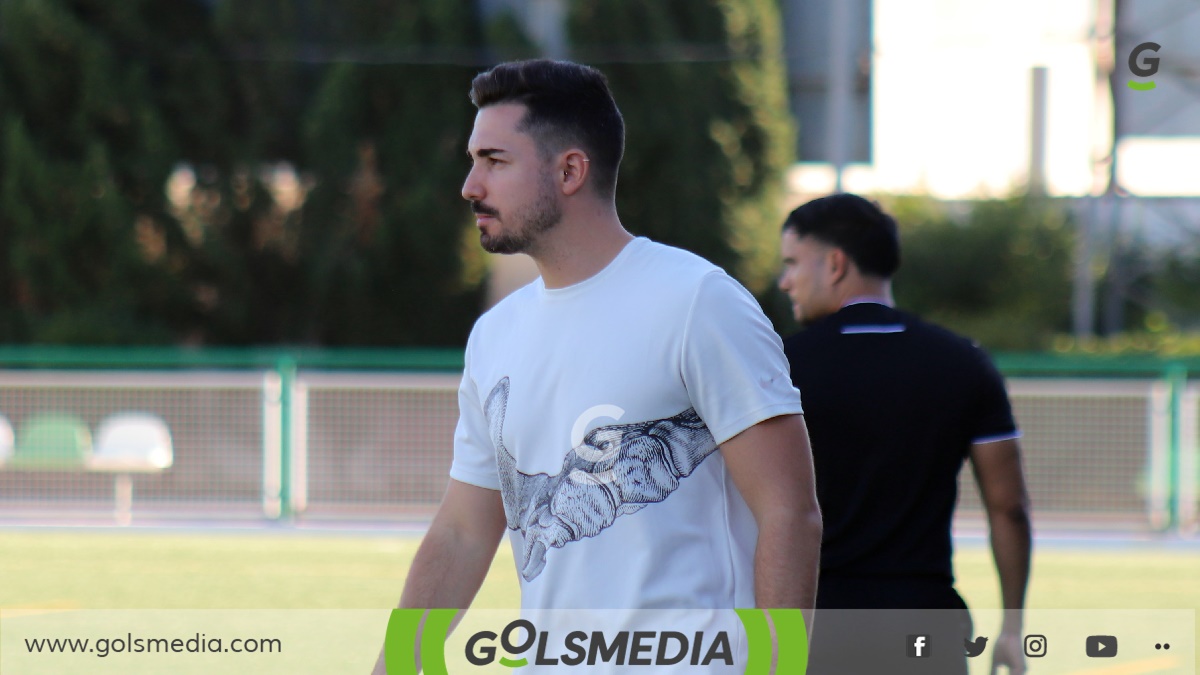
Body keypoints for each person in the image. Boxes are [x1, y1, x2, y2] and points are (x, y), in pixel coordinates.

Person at [372, 59, 821, 673]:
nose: (470, 185)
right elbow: (462, 531)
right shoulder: (495, 334)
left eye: (495, 161)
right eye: (473, 160)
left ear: (570, 170)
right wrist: (396, 661)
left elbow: (789, 512)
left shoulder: (697, 302)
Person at [777, 193, 1032, 675]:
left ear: (834, 264)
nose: (785, 280)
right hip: (924, 621)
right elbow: (1009, 507)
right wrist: (1013, 627)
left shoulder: (778, 366)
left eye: (792, 263)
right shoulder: (964, 362)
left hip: (811, 621)